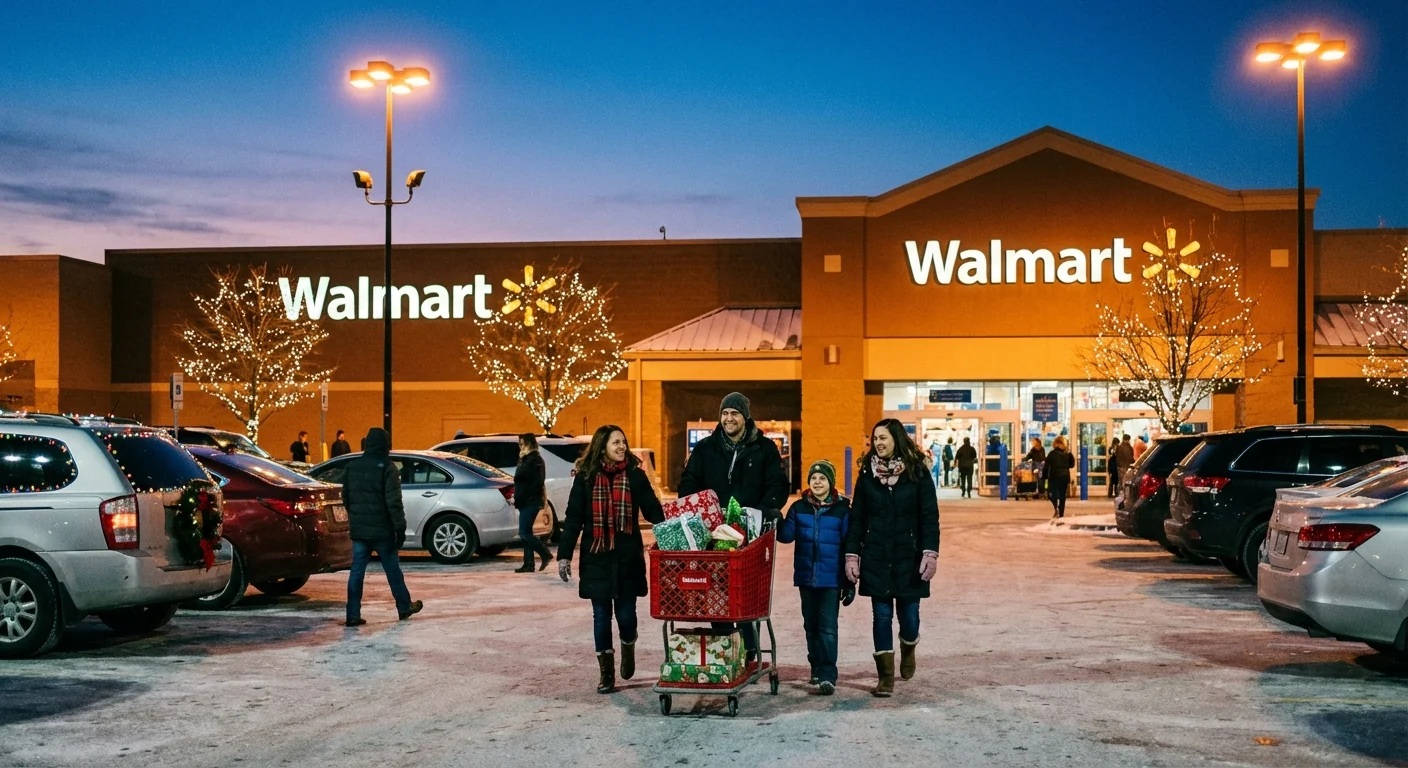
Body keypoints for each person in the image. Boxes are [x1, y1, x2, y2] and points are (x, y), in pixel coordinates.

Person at [676, 392, 789, 661]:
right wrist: (694, 508)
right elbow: (689, 481)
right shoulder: (706, 448)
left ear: (745, 417)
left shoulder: (764, 449)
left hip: (750, 534)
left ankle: (750, 649)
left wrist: (761, 512)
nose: (729, 418)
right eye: (725, 413)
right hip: (714, 534)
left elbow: (777, 485)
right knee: (717, 591)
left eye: (734, 413)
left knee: (748, 591)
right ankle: (726, 648)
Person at [556, 425, 664, 694]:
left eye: (623, 443)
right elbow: (573, 519)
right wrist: (565, 555)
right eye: (616, 443)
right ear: (602, 445)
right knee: (601, 616)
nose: (621, 447)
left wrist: (666, 527)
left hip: (627, 557)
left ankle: (628, 645)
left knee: (626, 615)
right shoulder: (586, 478)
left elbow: (653, 511)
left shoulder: (635, 476)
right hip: (597, 556)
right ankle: (606, 674)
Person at [844, 418, 940, 697]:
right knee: (881, 617)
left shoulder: (917, 473)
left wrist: (930, 553)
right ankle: (885, 677)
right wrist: (852, 555)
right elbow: (858, 517)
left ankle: (909, 647)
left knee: (909, 617)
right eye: (875, 439)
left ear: (897, 439)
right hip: (876, 556)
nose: (879, 443)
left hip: (909, 557)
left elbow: (929, 517)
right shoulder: (867, 475)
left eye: (883, 438)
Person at [777, 459, 851, 696]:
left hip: (831, 580)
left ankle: (828, 673)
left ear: (830, 482)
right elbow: (787, 536)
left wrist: (849, 582)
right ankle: (816, 668)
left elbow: (849, 545)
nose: (817, 482)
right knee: (811, 626)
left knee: (828, 627)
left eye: (822, 478)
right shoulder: (799, 508)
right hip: (806, 577)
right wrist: (776, 518)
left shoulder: (842, 510)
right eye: (813, 478)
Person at [343, 427, 421, 627]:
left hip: (360, 530)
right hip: (383, 530)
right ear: (385, 445)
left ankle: (352, 614)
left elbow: (346, 498)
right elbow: (394, 502)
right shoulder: (387, 467)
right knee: (392, 570)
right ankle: (404, 607)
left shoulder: (352, 467)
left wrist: (356, 518)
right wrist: (400, 529)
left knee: (356, 572)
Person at [513, 433, 555, 573]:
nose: (520, 445)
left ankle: (545, 554)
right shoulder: (524, 459)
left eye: (522, 442)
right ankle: (529, 564)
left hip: (531, 501)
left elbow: (537, 482)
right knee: (526, 532)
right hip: (524, 501)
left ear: (529, 443)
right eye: (519, 443)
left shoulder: (535, 459)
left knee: (524, 533)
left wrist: (524, 496)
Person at [1044, 436, 1076, 519]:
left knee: (1052, 494)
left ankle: (1056, 509)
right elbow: (1072, 465)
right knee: (1062, 496)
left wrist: (1044, 477)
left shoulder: (1052, 454)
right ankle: (1061, 513)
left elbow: (1046, 466)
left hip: (1054, 477)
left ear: (1056, 444)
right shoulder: (1067, 454)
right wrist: (1069, 453)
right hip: (1065, 477)